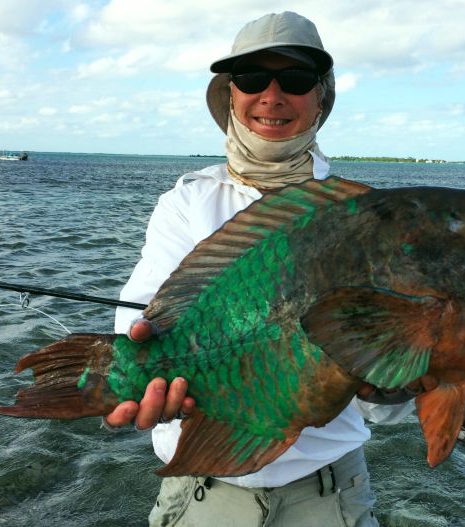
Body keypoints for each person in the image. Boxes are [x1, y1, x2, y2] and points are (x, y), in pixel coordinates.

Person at [105, 11, 417, 526]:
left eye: (294, 81)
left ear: (321, 98)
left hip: (329, 494)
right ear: (231, 94)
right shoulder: (186, 203)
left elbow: (385, 408)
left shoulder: (365, 217)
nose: (272, 96)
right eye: (252, 79)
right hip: (202, 493)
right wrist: (139, 370)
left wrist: (396, 386)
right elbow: (136, 323)